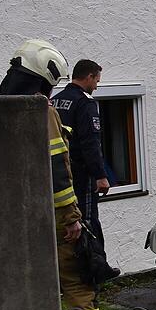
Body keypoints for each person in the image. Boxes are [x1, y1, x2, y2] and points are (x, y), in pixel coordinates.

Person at [0, 39, 99, 310]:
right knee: (79, 285)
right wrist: (72, 218)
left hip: (13, 220)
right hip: (54, 219)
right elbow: (57, 170)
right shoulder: (41, 112)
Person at [52, 59, 110, 256]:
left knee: (67, 219)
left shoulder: (55, 100)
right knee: (87, 220)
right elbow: (91, 142)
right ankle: (96, 264)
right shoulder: (85, 102)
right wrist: (100, 175)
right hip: (82, 172)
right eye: (97, 81)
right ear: (89, 76)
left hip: (60, 172)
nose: (96, 86)